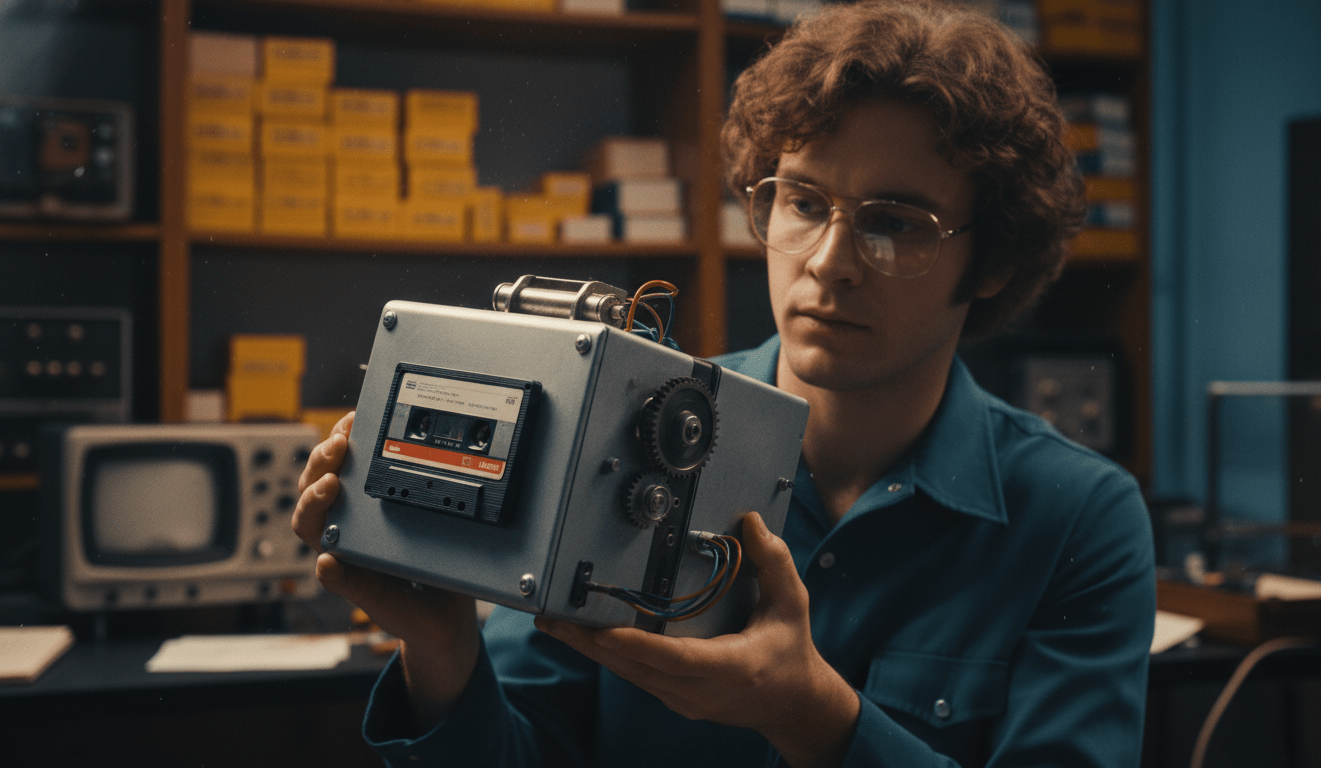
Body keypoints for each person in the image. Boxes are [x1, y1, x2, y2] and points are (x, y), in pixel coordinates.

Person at [292, 1, 1156, 766]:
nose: (828, 263)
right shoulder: (617, 428)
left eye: (895, 223)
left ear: (994, 256)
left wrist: (814, 721)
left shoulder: (1079, 519)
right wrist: (442, 649)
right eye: (805, 202)